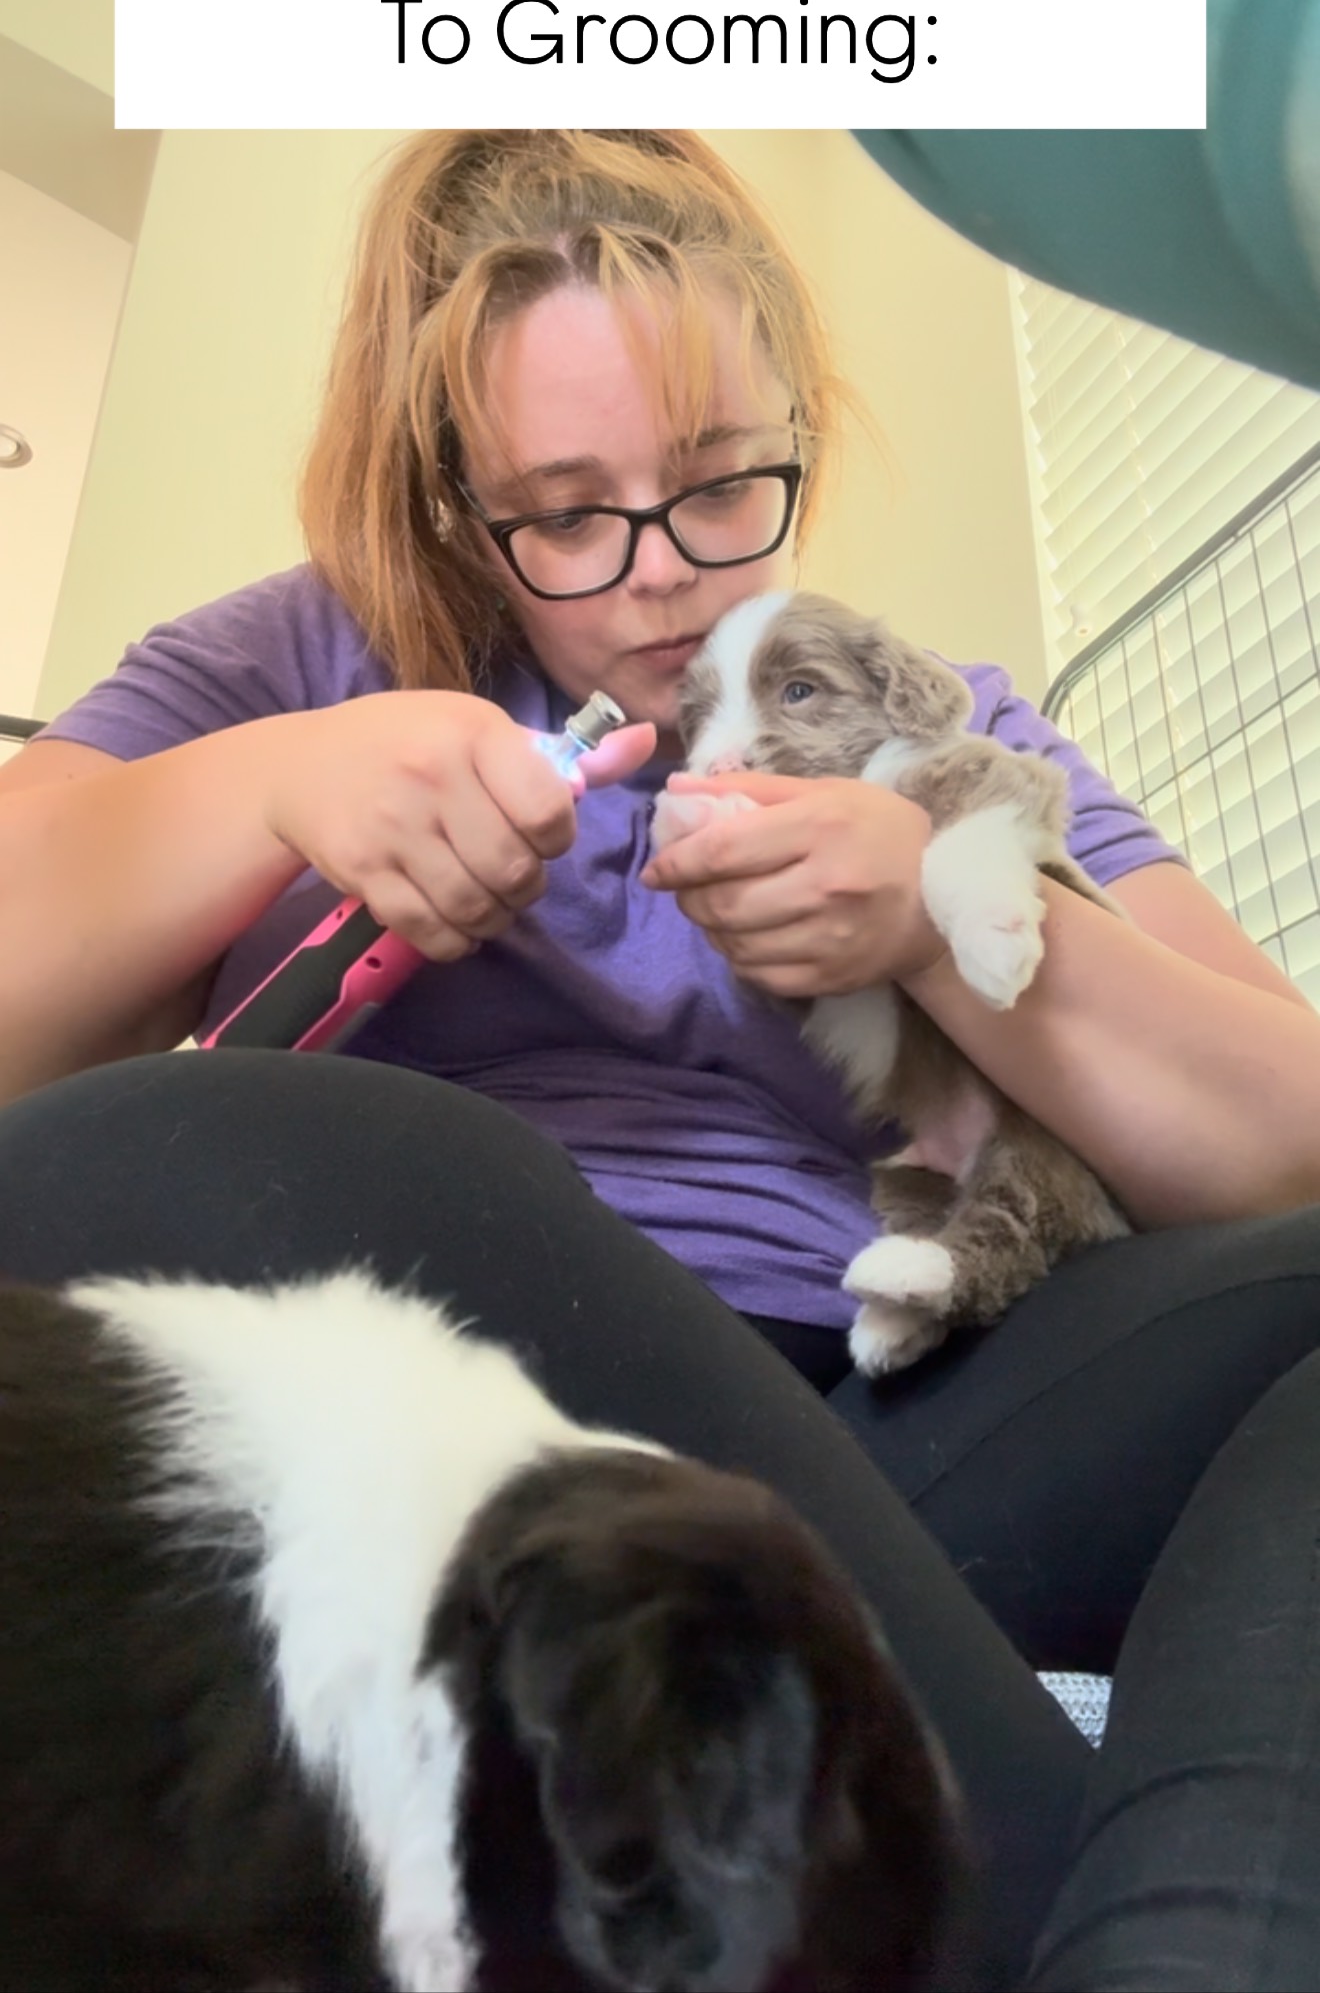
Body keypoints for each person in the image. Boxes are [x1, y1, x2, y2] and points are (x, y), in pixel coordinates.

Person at [3, 126, 1320, 1989]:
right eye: (563, 513)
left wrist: (950, 926)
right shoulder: (297, 649)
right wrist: (266, 785)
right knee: (219, 1144)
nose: (663, 581)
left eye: (722, 486)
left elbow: (1291, 1141)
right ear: (459, 503)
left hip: (915, 1390)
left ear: (798, 427)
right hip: (510, 1349)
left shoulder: (931, 711)